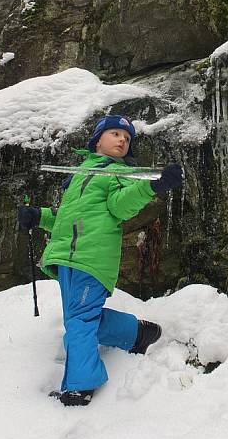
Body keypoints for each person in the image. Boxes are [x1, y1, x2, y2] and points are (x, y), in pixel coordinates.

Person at [18, 114, 182, 406]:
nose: (122, 140)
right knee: (79, 318)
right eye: (116, 134)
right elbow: (65, 220)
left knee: (80, 320)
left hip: (92, 258)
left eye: (127, 138)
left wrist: (151, 186)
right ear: (97, 140)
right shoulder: (81, 173)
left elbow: (120, 207)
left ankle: (81, 385)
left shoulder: (118, 173)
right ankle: (137, 333)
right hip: (67, 259)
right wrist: (38, 217)